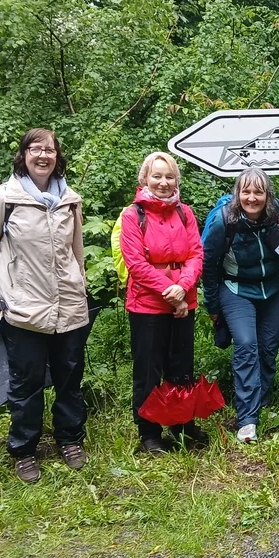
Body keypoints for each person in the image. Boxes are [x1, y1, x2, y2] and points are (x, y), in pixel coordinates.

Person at [0, 128, 90, 483]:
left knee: (70, 378)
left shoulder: (70, 199)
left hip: (69, 304)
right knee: (26, 383)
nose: (43, 155)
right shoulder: (3, 199)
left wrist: (81, 287)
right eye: (35, 149)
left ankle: (70, 440)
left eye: (50, 150)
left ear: (58, 156)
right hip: (24, 307)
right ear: (23, 154)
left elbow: (76, 250)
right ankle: (24, 450)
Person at [201, 169, 279, 444]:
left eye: (258, 192)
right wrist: (212, 305)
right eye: (246, 192)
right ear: (237, 193)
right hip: (236, 289)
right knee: (246, 345)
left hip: (273, 288)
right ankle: (247, 420)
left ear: (267, 195)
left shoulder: (275, 210)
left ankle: (260, 398)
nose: (252, 198)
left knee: (269, 347)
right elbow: (207, 264)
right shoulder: (224, 221)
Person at [119, 151, 206, 454]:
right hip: (147, 306)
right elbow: (136, 264)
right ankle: (149, 434)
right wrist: (171, 291)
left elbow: (196, 253)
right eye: (157, 176)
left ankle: (181, 425)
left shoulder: (185, 213)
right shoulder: (133, 216)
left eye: (169, 176)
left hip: (184, 301)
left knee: (181, 366)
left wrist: (183, 288)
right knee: (148, 370)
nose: (163, 182)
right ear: (145, 179)